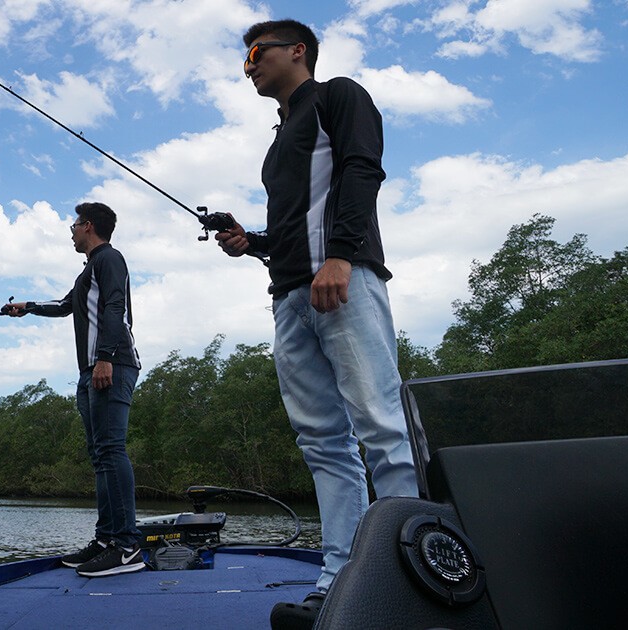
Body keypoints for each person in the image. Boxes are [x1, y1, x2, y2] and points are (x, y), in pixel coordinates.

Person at [215, 19, 419, 626]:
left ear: (296, 50)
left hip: (344, 282)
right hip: (290, 296)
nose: (247, 67)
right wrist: (248, 241)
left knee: (380, 424)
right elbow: (291, 227)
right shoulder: (278, 143)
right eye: (245, 60)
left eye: (255, 53)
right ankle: (339, 579)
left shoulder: (339, 95)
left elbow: (361, 170)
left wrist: (342, 256)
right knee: (323, 443)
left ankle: (411, 576)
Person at [3, 202, 145, 578]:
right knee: (100, 455)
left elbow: (117, 309)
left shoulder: (109, 258)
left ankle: (128, 546)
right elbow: (67, 305)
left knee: (112, 449)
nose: (71, 230)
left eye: (74, 224)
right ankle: (106, 541)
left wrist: (106, 358)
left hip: (111, 364)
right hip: (92, 369)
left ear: (90, 226)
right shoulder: (87, 272)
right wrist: (28, 307)